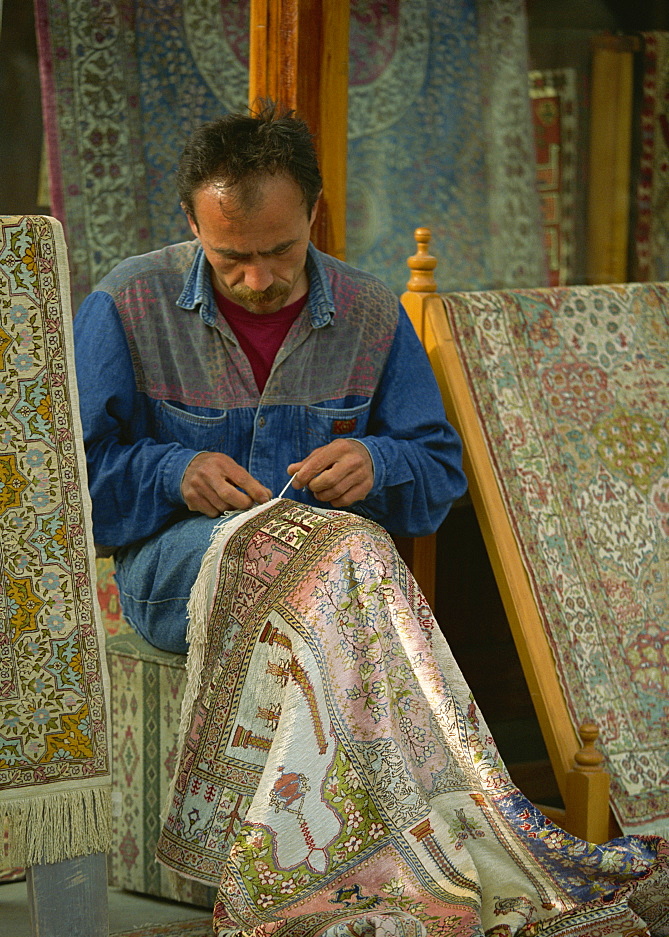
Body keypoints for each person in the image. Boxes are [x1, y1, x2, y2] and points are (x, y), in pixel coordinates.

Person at [74, 99, 467, 653]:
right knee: (297, 560)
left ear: (313, 211)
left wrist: (376, 463)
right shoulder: (128, 303)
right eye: (230, 257)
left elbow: (439, 470)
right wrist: (173, 472)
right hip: (175, 577)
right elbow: (66, 489)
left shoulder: (371, 312)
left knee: (339, 577)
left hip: (334, 577)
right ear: (192, 221)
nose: (257, 280)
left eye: (281, 250)